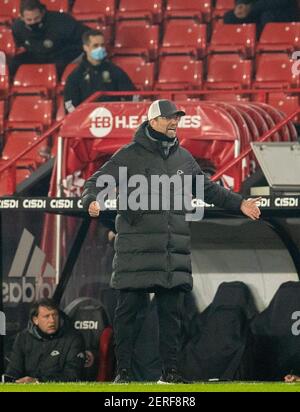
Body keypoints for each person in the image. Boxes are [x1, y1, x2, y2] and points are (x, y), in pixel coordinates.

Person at [81, 99, 261, 383]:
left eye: (177, 118)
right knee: (128, 316)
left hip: (171, 253)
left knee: (172, 319)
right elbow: (94, 183)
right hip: (135, 251)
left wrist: (239, 204)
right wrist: (91, 201)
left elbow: (209, 190)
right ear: (152, 121)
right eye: (168, 118)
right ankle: (123, 373)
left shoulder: (184, 159)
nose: (175, 122)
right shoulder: (128, 156)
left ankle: (171, 374)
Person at [5, 298, 85, 383]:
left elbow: (73, 376)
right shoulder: (22, 338)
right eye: (46, 316)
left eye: (55, 315)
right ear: (35, 320)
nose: (52, 320)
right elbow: (13, 371)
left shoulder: (74, 338)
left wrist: (38, 382)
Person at [10, 0, 89, 78]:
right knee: (14, 63)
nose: (33, 22)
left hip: (62, 52)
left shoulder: (61, 20)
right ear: (21, 17)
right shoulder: (17, 27)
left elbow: (86, 35)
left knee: (58, 65)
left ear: (43, 13)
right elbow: (21, 44)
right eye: (29, 20)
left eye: (37, 18)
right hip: (38, 54)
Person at [64, 29, 136, 113]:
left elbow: (132, 95)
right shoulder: (76, 75)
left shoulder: (114, 71)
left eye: (102, 45)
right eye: (95, 46)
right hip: (86, 122)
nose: (100, 48)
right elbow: (70, 105)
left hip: (113, 118)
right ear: (85, 47)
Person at [224, 0, 298, 35]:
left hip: (281, 10)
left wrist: (251, 8)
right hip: (255, 10)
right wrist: (240, 5)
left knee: (267, 16)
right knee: (230, 17)